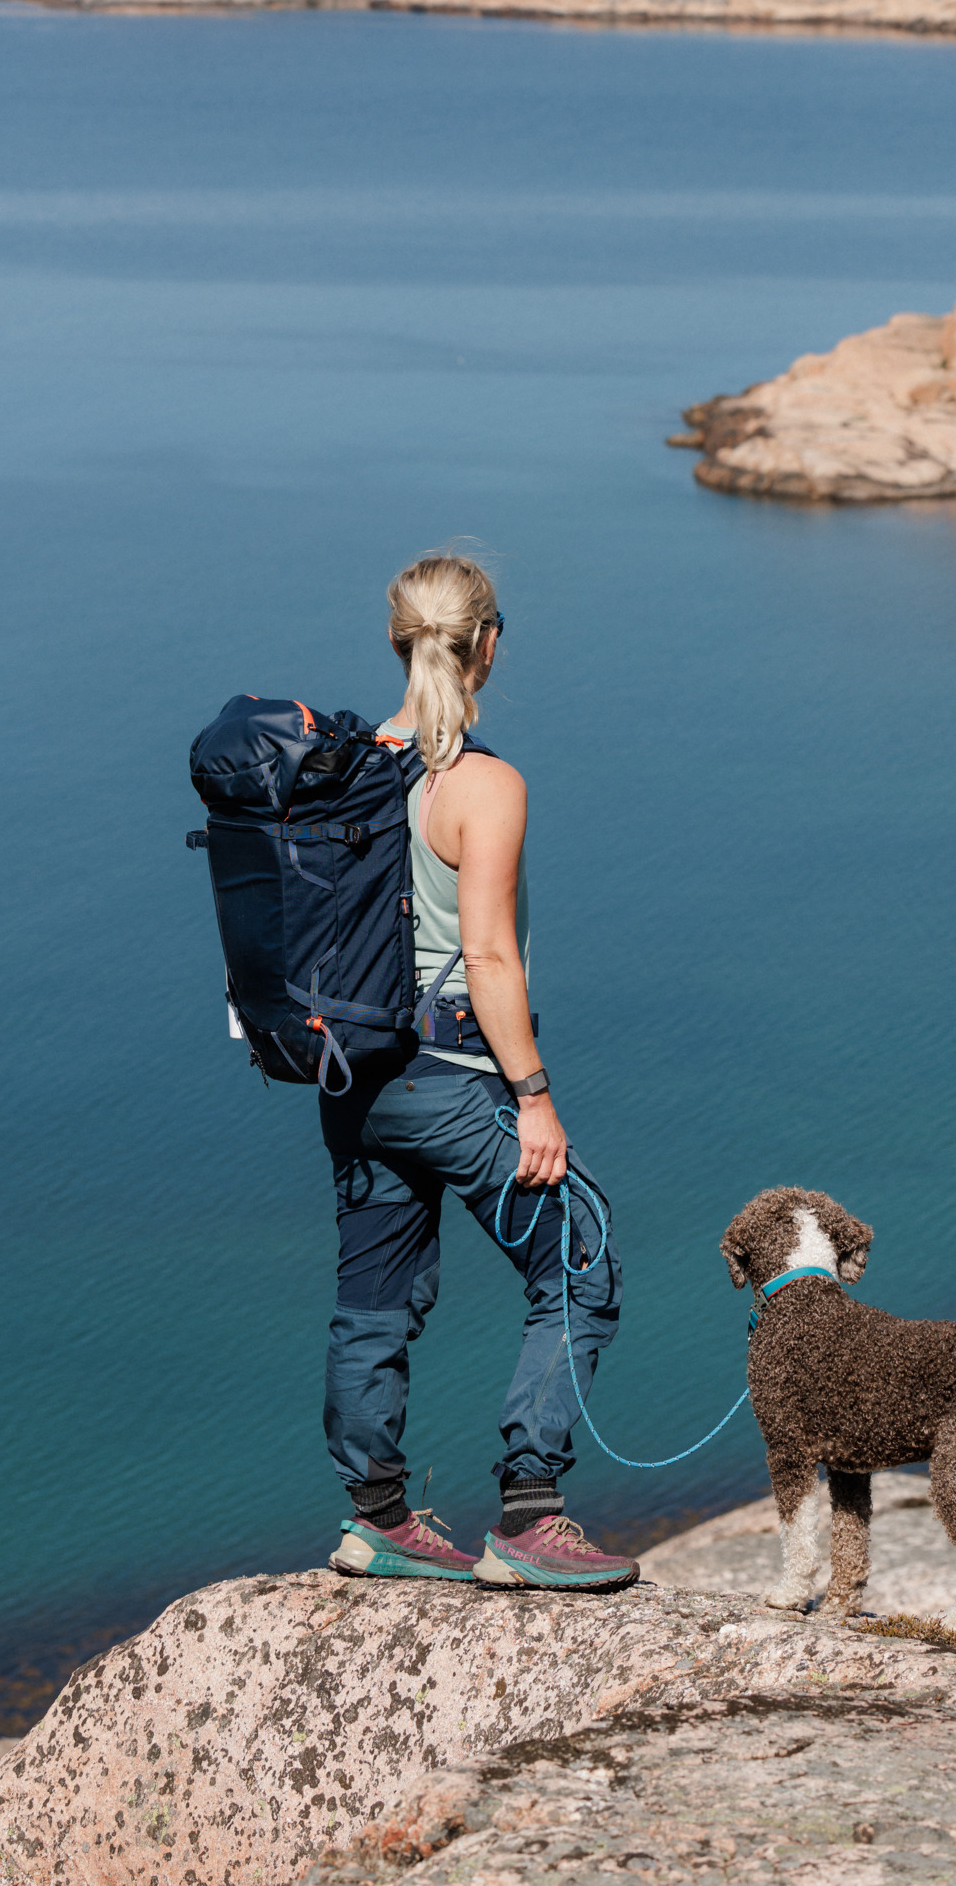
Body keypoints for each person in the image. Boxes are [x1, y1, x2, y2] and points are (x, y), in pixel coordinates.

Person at [322, 553, 637, 1590]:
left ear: (399, 641)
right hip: (457, 1073)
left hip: (354, 1076)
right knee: (581, 1259)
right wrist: (535, 1097)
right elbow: (491, 954)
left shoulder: (350, 763)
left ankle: (374, 1517)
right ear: (488, 643)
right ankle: (531, 1512)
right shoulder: (483, 784)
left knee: (374, 1297)